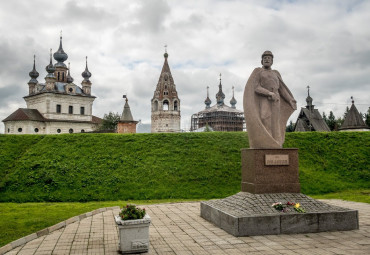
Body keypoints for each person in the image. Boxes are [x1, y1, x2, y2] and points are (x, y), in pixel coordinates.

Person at [243, 51, 297, 148]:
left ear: (272, 61)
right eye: (265, 58)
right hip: (265, 98)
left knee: (276, 121)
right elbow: (256, 87)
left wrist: (290, 100)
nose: (267, 60)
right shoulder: (259, 72)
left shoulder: (275, 73)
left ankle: (276, 142)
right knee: (264, 118)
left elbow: (282, 89)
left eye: (269, 58)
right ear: (261, 61)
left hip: (276, 99)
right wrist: (269, 93)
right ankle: (267, 142)